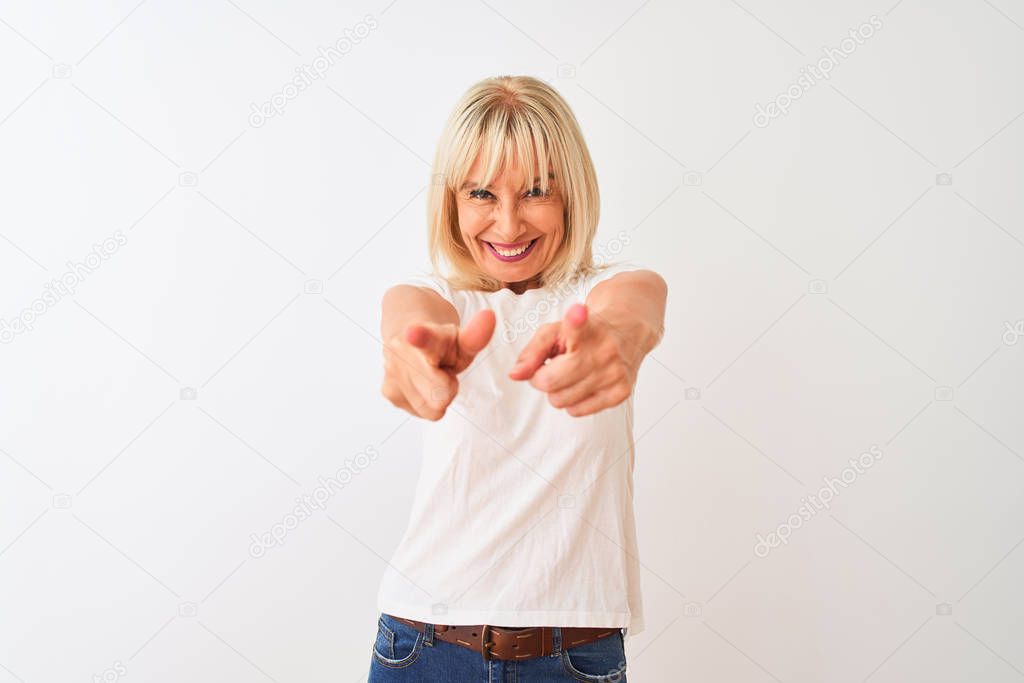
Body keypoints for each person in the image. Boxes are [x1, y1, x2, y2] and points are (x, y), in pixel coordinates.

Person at [370, 74, 667, 682]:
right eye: (481, 193)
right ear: (451, 201)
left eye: (535, 191)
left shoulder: (615, 287)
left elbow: (635, 309)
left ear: (572, 196)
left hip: (574, 658)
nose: (507, 225)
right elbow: (409, 321)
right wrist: (415, 352)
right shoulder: (431, 297)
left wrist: (616, 339)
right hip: (421, 650)